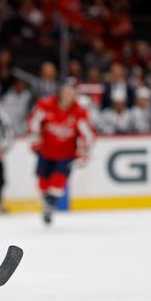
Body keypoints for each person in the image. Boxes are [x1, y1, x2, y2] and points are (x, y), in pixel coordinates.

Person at [27, 79, 94, 225]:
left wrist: (84, 152)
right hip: (45, 152)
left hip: (66, 155)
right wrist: (34, 140)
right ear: (61, 91)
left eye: (72, 92)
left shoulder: (79, 112)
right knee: (42, 184)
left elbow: (87, 135)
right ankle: (48, 204)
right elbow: (33, 121)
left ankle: (50, 206)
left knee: (58, 183)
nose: (69, 95)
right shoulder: (45, 105)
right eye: (66, 91)